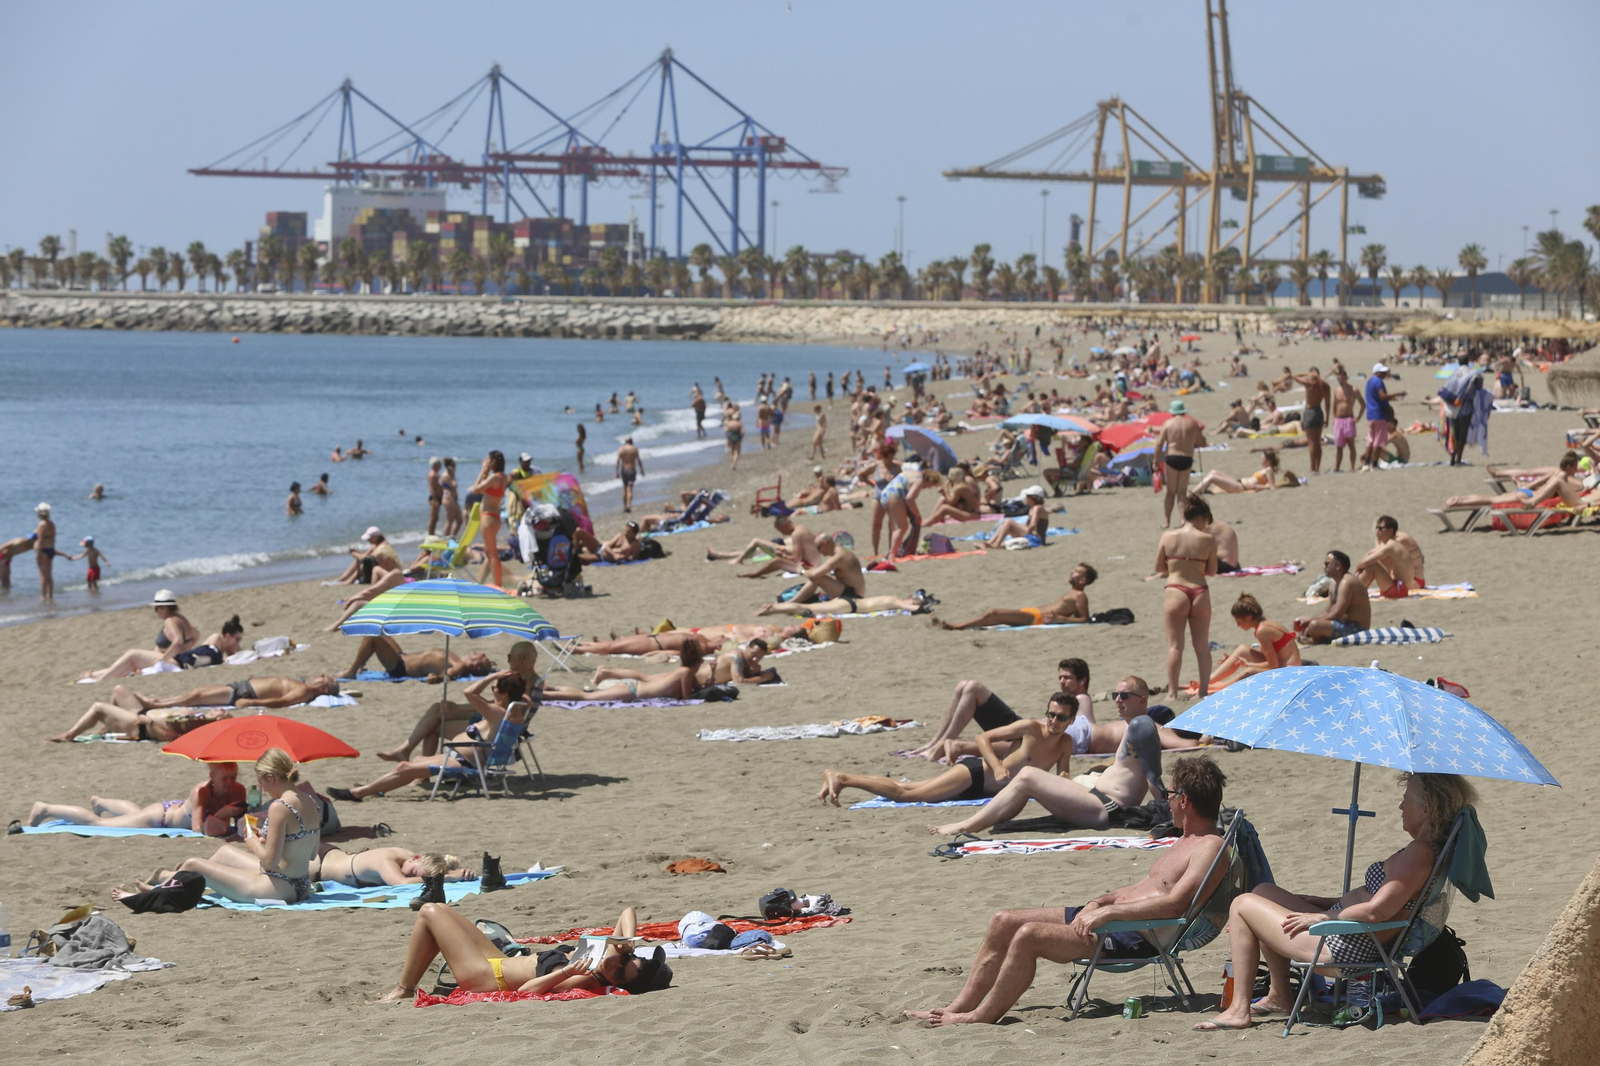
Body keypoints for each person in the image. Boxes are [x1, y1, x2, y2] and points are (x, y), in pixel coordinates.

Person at [907, 756, 1227, 1027]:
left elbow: (1174, 906)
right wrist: (1099, 901)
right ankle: (956, 1008)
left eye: (1170, 794)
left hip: (1136, 936)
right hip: (1112, 919)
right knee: (1003, 920)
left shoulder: (1209, 848)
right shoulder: (1184, 840)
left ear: (1184, 800)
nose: (1166, 800)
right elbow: (1144, 889)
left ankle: (978, 1017)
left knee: (1029, 935)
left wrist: (1108, 912)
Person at [1197, 773, 1476, 1031]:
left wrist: (1324, 918)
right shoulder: (1429, 852)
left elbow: (1378, 910)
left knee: (1242, 904)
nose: (1400, 807)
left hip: (1346, 947)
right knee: (1263, 891)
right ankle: (1279, 995)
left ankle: (1238, 1010)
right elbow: (1387, 903)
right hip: (1355, 935)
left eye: (1405, 801)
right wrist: (1324, 903)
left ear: (1426, 810)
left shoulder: (1419, 853)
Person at [923, 676, 1170, 838]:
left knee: (1028, 776)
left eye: (1124, 696)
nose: (1118, 700)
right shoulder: (1132, 725)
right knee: (1029, 779)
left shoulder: (1142, 725)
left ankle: (968, 825)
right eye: (1116, 695)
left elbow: (1152, 775)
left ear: (1142, 701)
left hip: (1107, 808)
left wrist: (1167, 813)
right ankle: (976, 822)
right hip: (1097, 798)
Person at [818, 685, 1082, 806]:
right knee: (905, 795)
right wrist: (997, 765)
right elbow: (983, 738)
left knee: (907, 786)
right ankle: (843, 777)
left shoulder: (1065, 743)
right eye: (1050, 714)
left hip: (980, 791)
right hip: (975, 774)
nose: (1053, 721)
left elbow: (1062, 772)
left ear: (1071, 721)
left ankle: (844, 777)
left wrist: (1066, 781)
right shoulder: (1030, 728)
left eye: (1060, 717)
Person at [114, 749, 321, 904]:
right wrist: (270, 840)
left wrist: (253, 843)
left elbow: (270, 861)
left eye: (262, 783)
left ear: (271, 778)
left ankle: (152, 895)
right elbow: (310, 854)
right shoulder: (312, 801)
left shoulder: (280, 806)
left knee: (194, 863)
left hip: (276, 889)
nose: (263, 790)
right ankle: (171, 881)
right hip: (301, 886)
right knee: (224, 853)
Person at [371, 903, 671, 1003]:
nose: (616, 963)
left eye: (619, 973)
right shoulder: (607, 955)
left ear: (617, 982)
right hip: (500, 960)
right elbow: (628, 911)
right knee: (444, 911)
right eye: (626, 961)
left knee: (429, 912)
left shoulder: (586, 977)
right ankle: (406, 985)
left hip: (487, 976)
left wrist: (566, 972)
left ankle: (403, 989)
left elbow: (528, 992)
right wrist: (627, 943)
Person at [328, 678, 530, 802]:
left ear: (500, 692)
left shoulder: (497, 711)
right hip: (461, 756)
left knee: (405, 768)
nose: (491, 689)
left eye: (494, 687)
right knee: (414, 762)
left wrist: (493, 676)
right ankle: (376, 788)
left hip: (465, 763)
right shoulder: (515, 710)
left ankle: (358, 793)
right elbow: (523, 698)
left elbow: (469, 692)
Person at [378, 642, 545, 762]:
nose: (508, 661)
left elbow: (502, 710)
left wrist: (460, 709)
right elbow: (500, 706)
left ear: (521, 658)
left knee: (435, 724)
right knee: (439, 710)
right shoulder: (534, 680)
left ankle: (412, 760)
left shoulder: (525, 683)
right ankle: (409, 756)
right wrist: (462, 708)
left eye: (510, 657)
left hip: (495, 731)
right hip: (495, 723)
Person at [904, 659, 1095, 761]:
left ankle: (941, 742)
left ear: (1082, 681)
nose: (1062, 682)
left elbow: (1087, 728)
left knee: (973, 688)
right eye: (1060, 677)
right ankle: (935, 742)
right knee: (964, 685)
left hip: (1021, 731)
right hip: (1021, 727)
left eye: (1067, 678)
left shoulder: (1081, 699)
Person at [25, 762, 246, 837]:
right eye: (225, 778)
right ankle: (45, 808)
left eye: (233, 777)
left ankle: (101, 802)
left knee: (134, 813)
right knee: (99, 824)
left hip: (169, 811)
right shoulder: (201, 791)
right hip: (161, 819)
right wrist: (223, 815)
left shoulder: (239, 790)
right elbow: (198, 830)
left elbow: (243, 825)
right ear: (211, 777)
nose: (230, 782)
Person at [1156, 494, 1217, 702]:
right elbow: (1212, 570)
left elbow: (1158, 567)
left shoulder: (1168, 536)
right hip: (1199, 590)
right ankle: (1203, 692)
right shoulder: (1208, 540)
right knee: (1201, 645)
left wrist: (1176, 566)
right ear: (1200, 517)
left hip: (1176, 589)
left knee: (1175, 646)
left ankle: (1172, 693)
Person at [77, 589, 203, 682]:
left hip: (174, 661)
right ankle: (96, 674)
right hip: (180, 659)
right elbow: (196, 635)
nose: (156, 612)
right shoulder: (181, 618)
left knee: (132, 654)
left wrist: (163, 658)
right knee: (131, 662)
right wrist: (187, 648)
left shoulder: (170, 621)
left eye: (157, 608)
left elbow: (178, 641)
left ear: (163, 608)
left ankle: (101, 678)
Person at [1188, 593, 1301, 695]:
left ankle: (1214, 687)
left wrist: (1247, 664)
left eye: (1238, 621)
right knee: (1241, 650)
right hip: (1284, 666)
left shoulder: (1263, 631)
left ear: (1248, 618)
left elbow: (1273, 665)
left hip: (1288, 673)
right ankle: (1207, 681)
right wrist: (1233, 660)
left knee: (1249, 672)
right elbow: (1268, 657)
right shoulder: (1265, 624)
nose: (1238, 625)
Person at [932, 564, 1096, 630]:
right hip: (1033, 613)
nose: (1071, 572)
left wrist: (1061, 619)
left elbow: (1084, 619)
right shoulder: (1071, 592)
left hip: (1036, 618)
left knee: (994, 613)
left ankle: (956, 626)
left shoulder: (1080, 595)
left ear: (1083, 580)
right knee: (994, 618)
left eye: (1076, 572)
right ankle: (960, 626)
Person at [542, 644, 702, 703]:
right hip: (632, 691)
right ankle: (545, 695)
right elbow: (687, 697)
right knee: (586, 697)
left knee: (586, 694)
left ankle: (552, 689)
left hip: (633, 686)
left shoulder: (682, 671)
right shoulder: (686, 673)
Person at [705, 514, 822, 578]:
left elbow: (797, 559)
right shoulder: (802, 528)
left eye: (781, 530)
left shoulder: (797, 534)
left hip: (809, 565)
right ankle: (723, 556)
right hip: (815, 562)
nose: (782, 533)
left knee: (775, 560)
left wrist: (783, 556)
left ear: (786, 524)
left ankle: (754, 573)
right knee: (762, 552)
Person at [1295, 550, 1372, 643]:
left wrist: (1311, 621)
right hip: (1343, 624)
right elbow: (1328, 611)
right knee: (1310, 625)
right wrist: (1308, 624)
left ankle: (1314, 641)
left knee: (1314, 625)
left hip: (1357, 628)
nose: (1324, 567)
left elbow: (1337, 614)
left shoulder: (1347, 582)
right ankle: (1315, 636)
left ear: (1338, 566)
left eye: (1327, 564)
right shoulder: (1334, 583)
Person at [339, 635, 494, 682]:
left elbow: (450, 675)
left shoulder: (459, 665)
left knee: (372, 637)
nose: (481, 653)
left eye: (483, 657)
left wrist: (438, 678)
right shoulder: (457, 658)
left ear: (476, 667)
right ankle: (360, 664)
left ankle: (352, 672)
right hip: (402, 656)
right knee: (381, 631)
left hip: (400, 667)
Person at [1155, 400, 1208, 527]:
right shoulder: (1192, 423)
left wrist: (1155, 462)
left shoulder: (1168, 424)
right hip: (1186, 458)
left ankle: (1166, 521)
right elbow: (1202, 443)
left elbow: (1159, 444)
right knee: (1182, 493)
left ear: (1172, 412)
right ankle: (1183, 519)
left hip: (1172, 458)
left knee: (1170, 492)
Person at [314, 847, 474, 888]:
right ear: (416, 858)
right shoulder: (386, 860)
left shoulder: (411, 858)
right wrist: (450, 878)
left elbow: (431, 866)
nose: (411, 878)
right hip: (317, 865)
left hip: (331, 855)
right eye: (412, 873)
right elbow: (401, 883)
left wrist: (456, 872)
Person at [784, 532, 866, 607]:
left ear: (826, 544)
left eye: (818, 548)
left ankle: (791, 603)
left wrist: (801, 570)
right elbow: (820, 570)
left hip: (854, 597)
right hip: (850, 591)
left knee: (818, 578)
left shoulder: (839, 557)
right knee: (819, 577)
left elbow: (815, 574)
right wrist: (807, 568)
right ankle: (793, 601)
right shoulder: (840, 552)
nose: (819, 552)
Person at [1356, 514, 1424, 598]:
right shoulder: (1391, 544)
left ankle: (1354, 591)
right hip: (1401, 587)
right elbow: (1371, 555)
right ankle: (1355, 590)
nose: (1377, 531)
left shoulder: (1392, 545)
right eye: (1376, 528)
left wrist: (1358, 569)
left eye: (1380, 528)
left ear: (1390, 530)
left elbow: (1366, 561)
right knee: (1372, 562)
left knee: (1373, 566)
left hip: (1401, 589)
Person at [757, 588, 936, 619]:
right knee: (808, 608)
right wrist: (923, 608)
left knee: (809, 608)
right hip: (851, 606)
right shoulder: (896, 600)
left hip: (850, 602)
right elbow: (914, 608)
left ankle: (775, 608)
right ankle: (773, 609)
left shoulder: (893, 598)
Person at [469, 451, 508, 588]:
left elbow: (475, 489)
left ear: (493, 462)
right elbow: (482, 489)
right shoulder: (502, 477)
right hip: (494, 518)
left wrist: (483, 470)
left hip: (488, 518)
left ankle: (498, 586)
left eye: (488, 459)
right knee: (489, 552)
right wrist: (486, 472)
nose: (485, 461)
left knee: (492, 554)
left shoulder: (495, 478)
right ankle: (480, 583)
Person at [1361, 363, 1405, 470]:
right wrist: (1397, 394)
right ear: (1377, 372)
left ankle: (1367, 463)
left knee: (1370, 440)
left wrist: (1393, 398)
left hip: (1370, 414)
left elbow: (1377, 398)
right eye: (1383, 371)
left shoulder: (1369, 382)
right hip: (1379, 415)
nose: (1385, 373)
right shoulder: (1378, 382)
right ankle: (1374, 464)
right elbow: (1382, 396)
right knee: (1378, 441)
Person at [983, 485, 1049, 548]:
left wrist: (1025, 532)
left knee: (1008, 522)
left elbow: (1033, 524)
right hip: (1032, 534)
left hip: (1036, 537)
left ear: (1032, 498)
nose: (1026, 499)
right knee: (1005, 522)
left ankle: (996, 543)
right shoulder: (1032, 508)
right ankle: (991, 542)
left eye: (1027, 497)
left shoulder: (1037, 508)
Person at [333, 527, 403, 585]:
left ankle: (349, 580)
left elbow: (366, 559)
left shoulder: (382, 548)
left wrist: (353, 553)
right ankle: (342, 578)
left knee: (364, 562)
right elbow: (365, 556)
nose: (368, 540)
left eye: (369, 538)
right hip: (380, 569)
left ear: (376, 537)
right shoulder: (376, 545)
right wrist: (355, 552)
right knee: (358, 560)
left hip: (387, 573)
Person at [1293, 366, 1331, 474]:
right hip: (1319, 411)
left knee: (1311, 442)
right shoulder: (1325, 385)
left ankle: (1312, 468)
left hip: (1310, 411)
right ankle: (1317, 467)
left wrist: (1306, 373)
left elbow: (1295, 376)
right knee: (1317, 442)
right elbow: (1328, 404)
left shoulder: (1309, 384)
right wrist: (1327, 418)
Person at [1330, 367, 1363, 471]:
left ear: (1346, 378)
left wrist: (1358, 417)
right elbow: (1334, 404)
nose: (1340, 381)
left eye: (1342, 378)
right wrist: (1333, 418)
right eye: (1339, 379)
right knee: (1339, 447)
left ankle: (1352, 467)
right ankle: (1337, 468)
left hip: (1349, 419)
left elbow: (1363, 404)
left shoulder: (1353, 390)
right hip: (1339, 420)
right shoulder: (1337, 390)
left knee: (1351, 445)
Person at [616, 437, 643, 513]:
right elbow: (638, 460)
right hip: (631, 469)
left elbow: (618, 461)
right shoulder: (634, 449)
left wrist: (617, 472)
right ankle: (629, 505)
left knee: (624, 488)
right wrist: (642, 470)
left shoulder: (621, 449)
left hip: (624, 470)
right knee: (630, 489)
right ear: (631, 441)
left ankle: (625, 506)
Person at [440, 458, 464, 537]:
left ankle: (452, 537)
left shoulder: (448, 475)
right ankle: (446, 539)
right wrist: (453, 476)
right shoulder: (447, 475)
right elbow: (454, 485)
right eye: (454, 466)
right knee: (450, 520)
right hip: (448, 498)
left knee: (459, 520)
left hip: (452, 498)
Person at [426, 458, 444, 536]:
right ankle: (430, 535)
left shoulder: (435, 474)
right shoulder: (433, 475)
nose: (441, 466)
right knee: (433, 518)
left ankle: (432, 534)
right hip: (435, 498)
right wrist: (435, 499)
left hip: (437, 498)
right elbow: (432, 488)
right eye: (440, 464)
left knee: (435, 518)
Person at [724, 404, 744, 470]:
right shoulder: (739, 424)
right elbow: (742, 432)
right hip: (737, 437)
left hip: (731, 437)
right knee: (736, 451)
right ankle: (734, 464)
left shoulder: (729, 423)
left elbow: (726, 431)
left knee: (732, 451)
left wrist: (728, 439)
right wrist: (741, 438)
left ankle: (732, 462)